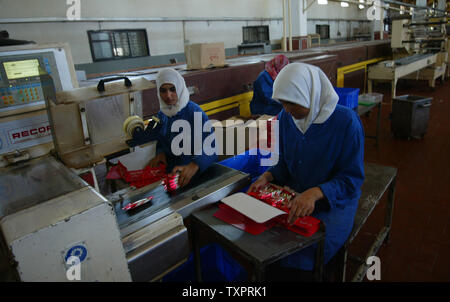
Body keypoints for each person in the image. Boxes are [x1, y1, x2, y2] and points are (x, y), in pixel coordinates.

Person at [247, 62, 365, 280]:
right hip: (298, 192)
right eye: (282, 103)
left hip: (335, 201)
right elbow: (286, 162)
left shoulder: (346, 123)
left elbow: (352, 179)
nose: (287, 109)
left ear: (310, 95)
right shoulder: (286, 119)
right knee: (267, 240)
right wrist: (268, 175)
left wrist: (316, 192)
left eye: (292, 103)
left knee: (306, 252)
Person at [148, 68, 217, 187]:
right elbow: (161, 140)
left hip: (194, 176)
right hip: (173, 176)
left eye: (172, 89)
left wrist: (195, 165)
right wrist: (161, 153)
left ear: (179, 88)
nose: (168, 96)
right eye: (163, 91)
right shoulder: (162, 114)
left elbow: (212, 148)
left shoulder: (194, 112)